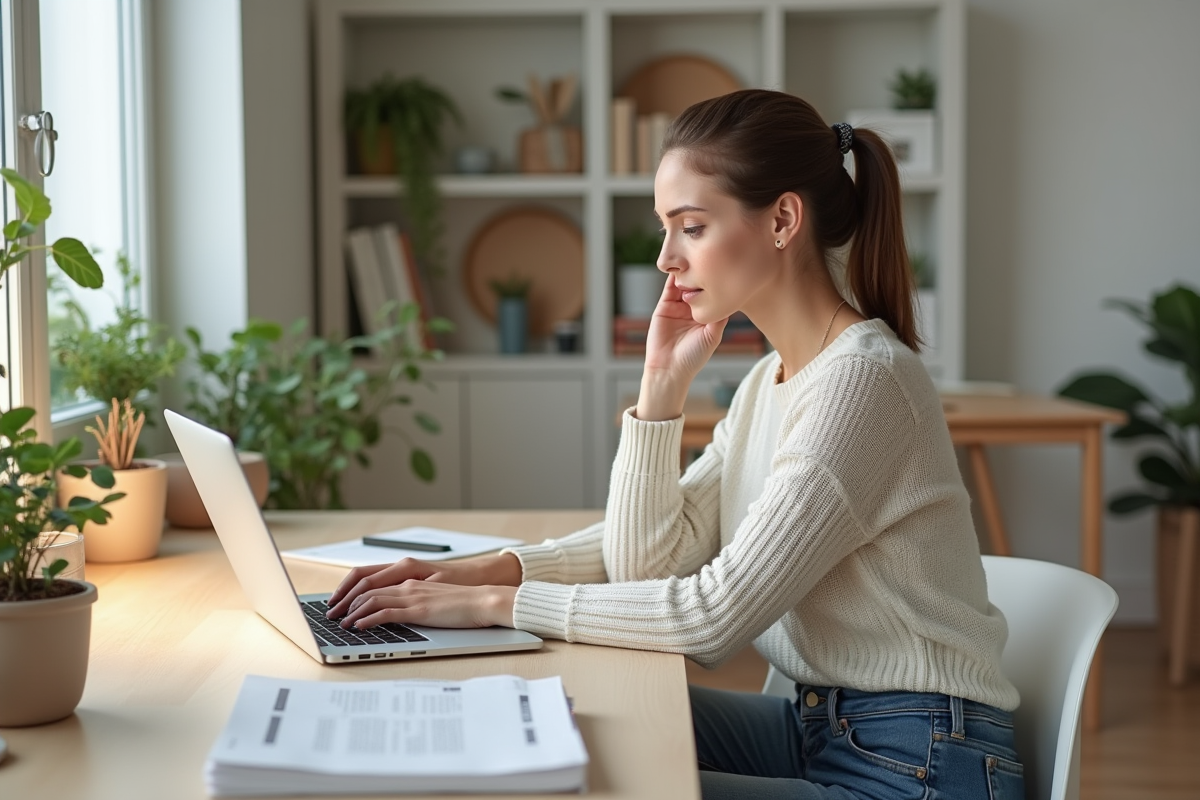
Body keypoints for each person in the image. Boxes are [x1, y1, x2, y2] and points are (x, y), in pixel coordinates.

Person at [326, 89, 1024, 799]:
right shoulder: (768, 382)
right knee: (572, 718)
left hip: (920, 764)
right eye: (667, 229)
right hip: (823, 726)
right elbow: (646, 561)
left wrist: (496, 607)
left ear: (783, 219)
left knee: (595, 782)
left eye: (690, 226)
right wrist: (657, 392)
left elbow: (707, 620)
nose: (666, 258)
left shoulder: (863, 383)